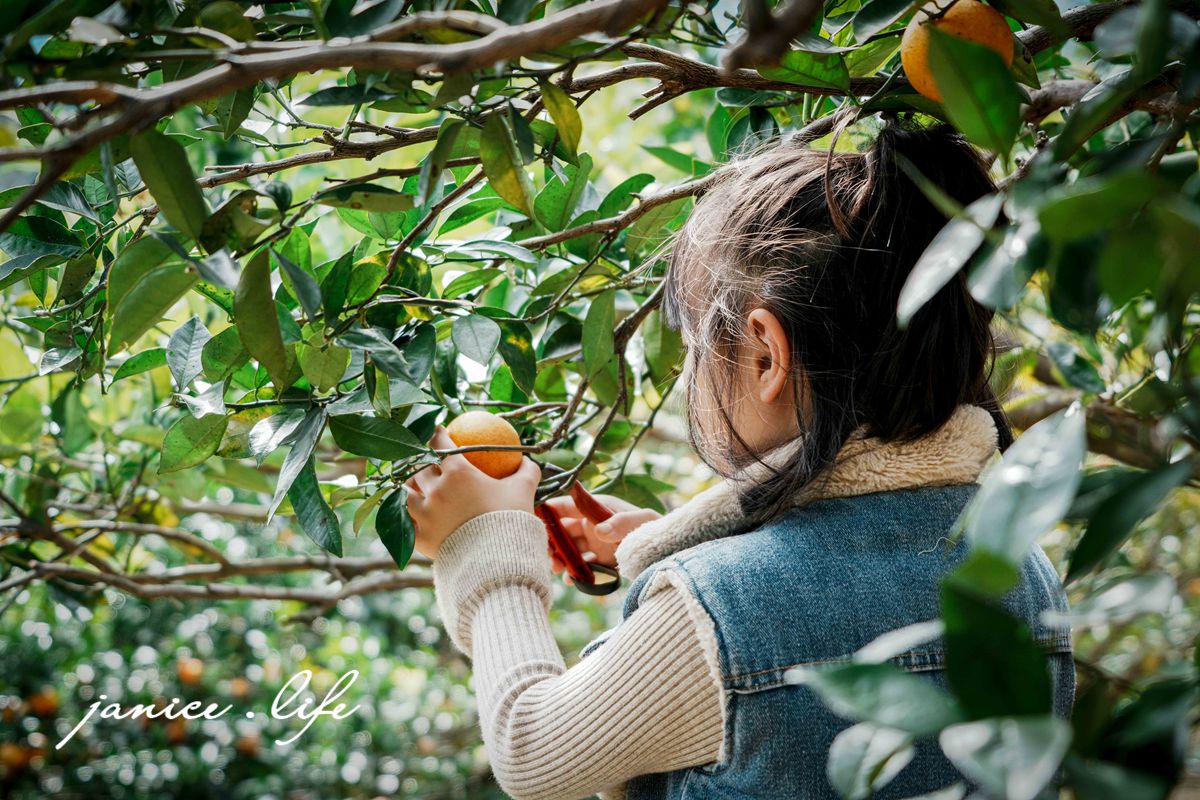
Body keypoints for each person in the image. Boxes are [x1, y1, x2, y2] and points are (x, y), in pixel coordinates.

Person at [403, 118, 1075, 800]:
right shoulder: (1021, 572)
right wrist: (669, 546)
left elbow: (533, 750)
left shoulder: (716, 613)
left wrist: (480, 544)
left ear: (764, 355)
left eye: (695, 346)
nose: (692, 373)